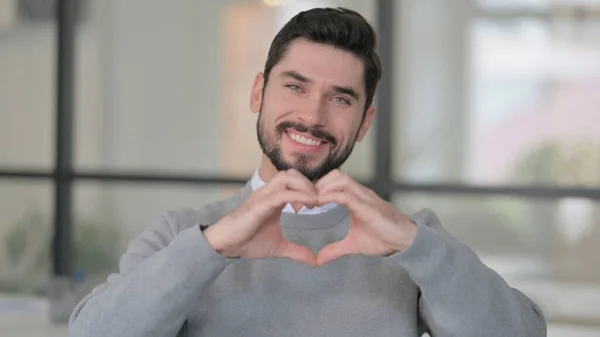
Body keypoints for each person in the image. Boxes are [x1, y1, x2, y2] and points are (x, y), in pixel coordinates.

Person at [68, 7, 546, 337]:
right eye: (295, 86)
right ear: (258, 93)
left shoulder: (410, 239)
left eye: (341, 98)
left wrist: (415, 245)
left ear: (364, 124)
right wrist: (213, 247)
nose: (313, 116)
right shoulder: (183, 235)